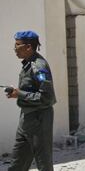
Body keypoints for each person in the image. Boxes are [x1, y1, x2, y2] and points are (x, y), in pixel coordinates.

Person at [7, 31, 56, 171]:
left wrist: (19, 94)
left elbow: (47, 97)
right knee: (17, 163)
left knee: (43, 162)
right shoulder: (28, 64)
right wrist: (16, 92)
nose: (14, 49)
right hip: (26, 119)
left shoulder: (39, 66)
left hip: (39, 119)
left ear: (28, 47)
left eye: (17, 45)